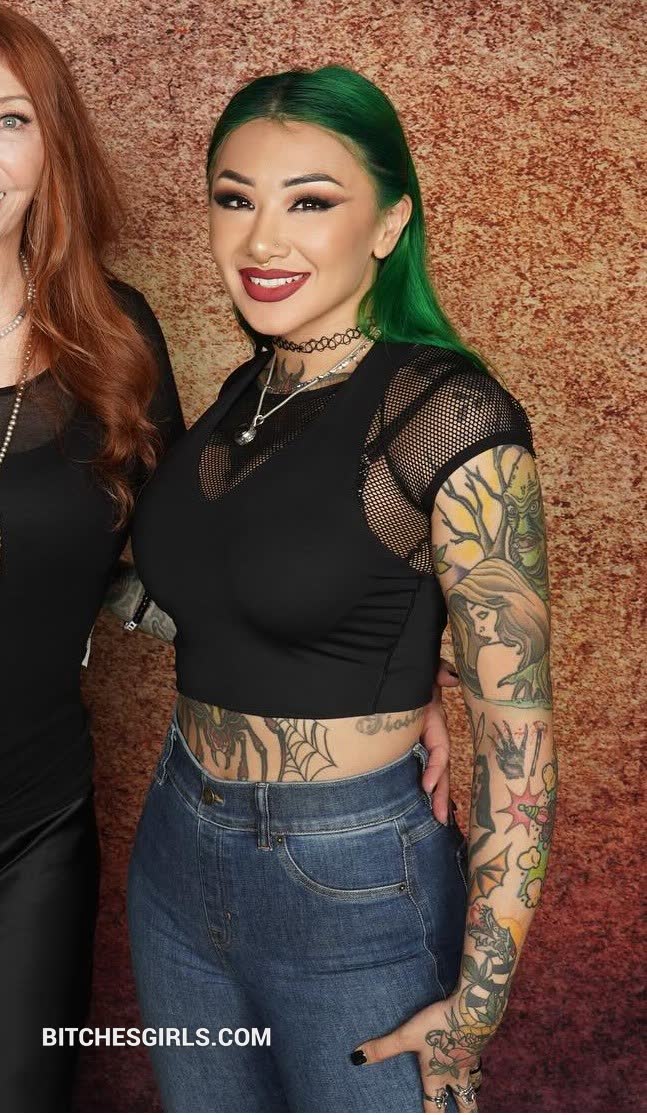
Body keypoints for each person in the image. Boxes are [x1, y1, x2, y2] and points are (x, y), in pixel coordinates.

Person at [126, 65, 556, 1113]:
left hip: (350, 876)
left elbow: (521, 747)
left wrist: (473, 1011)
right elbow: (206, 599)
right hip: (176, 844)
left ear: (388, 223)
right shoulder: (247, 394)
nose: (262, 240)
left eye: (309, 201)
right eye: (235, 198)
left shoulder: (445, 416)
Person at [0, 9, 185, 1110]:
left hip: (32, 829)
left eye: (8, 120)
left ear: (51, 145)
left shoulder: (117, 341)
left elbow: (192, 564)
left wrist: (390, 673)